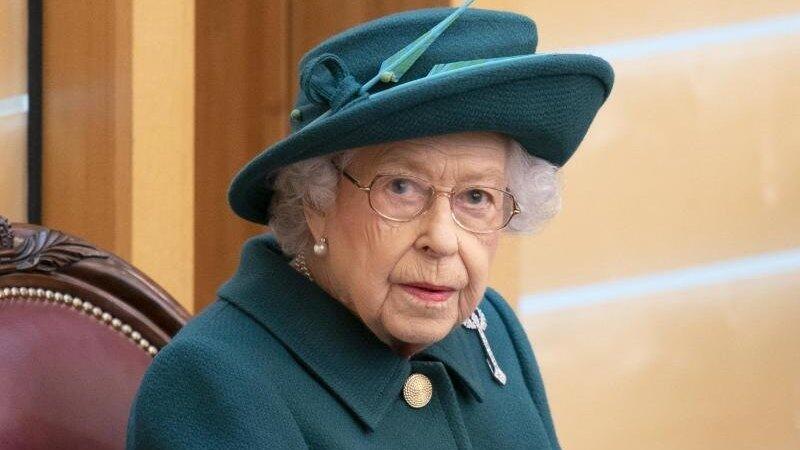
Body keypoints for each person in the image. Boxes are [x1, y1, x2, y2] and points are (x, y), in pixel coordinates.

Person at [126, 3, 613, 449]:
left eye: (476, 197)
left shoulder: (491, 329)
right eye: (401, 188)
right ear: (316, 200)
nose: (442, 240)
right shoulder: (213, 382)